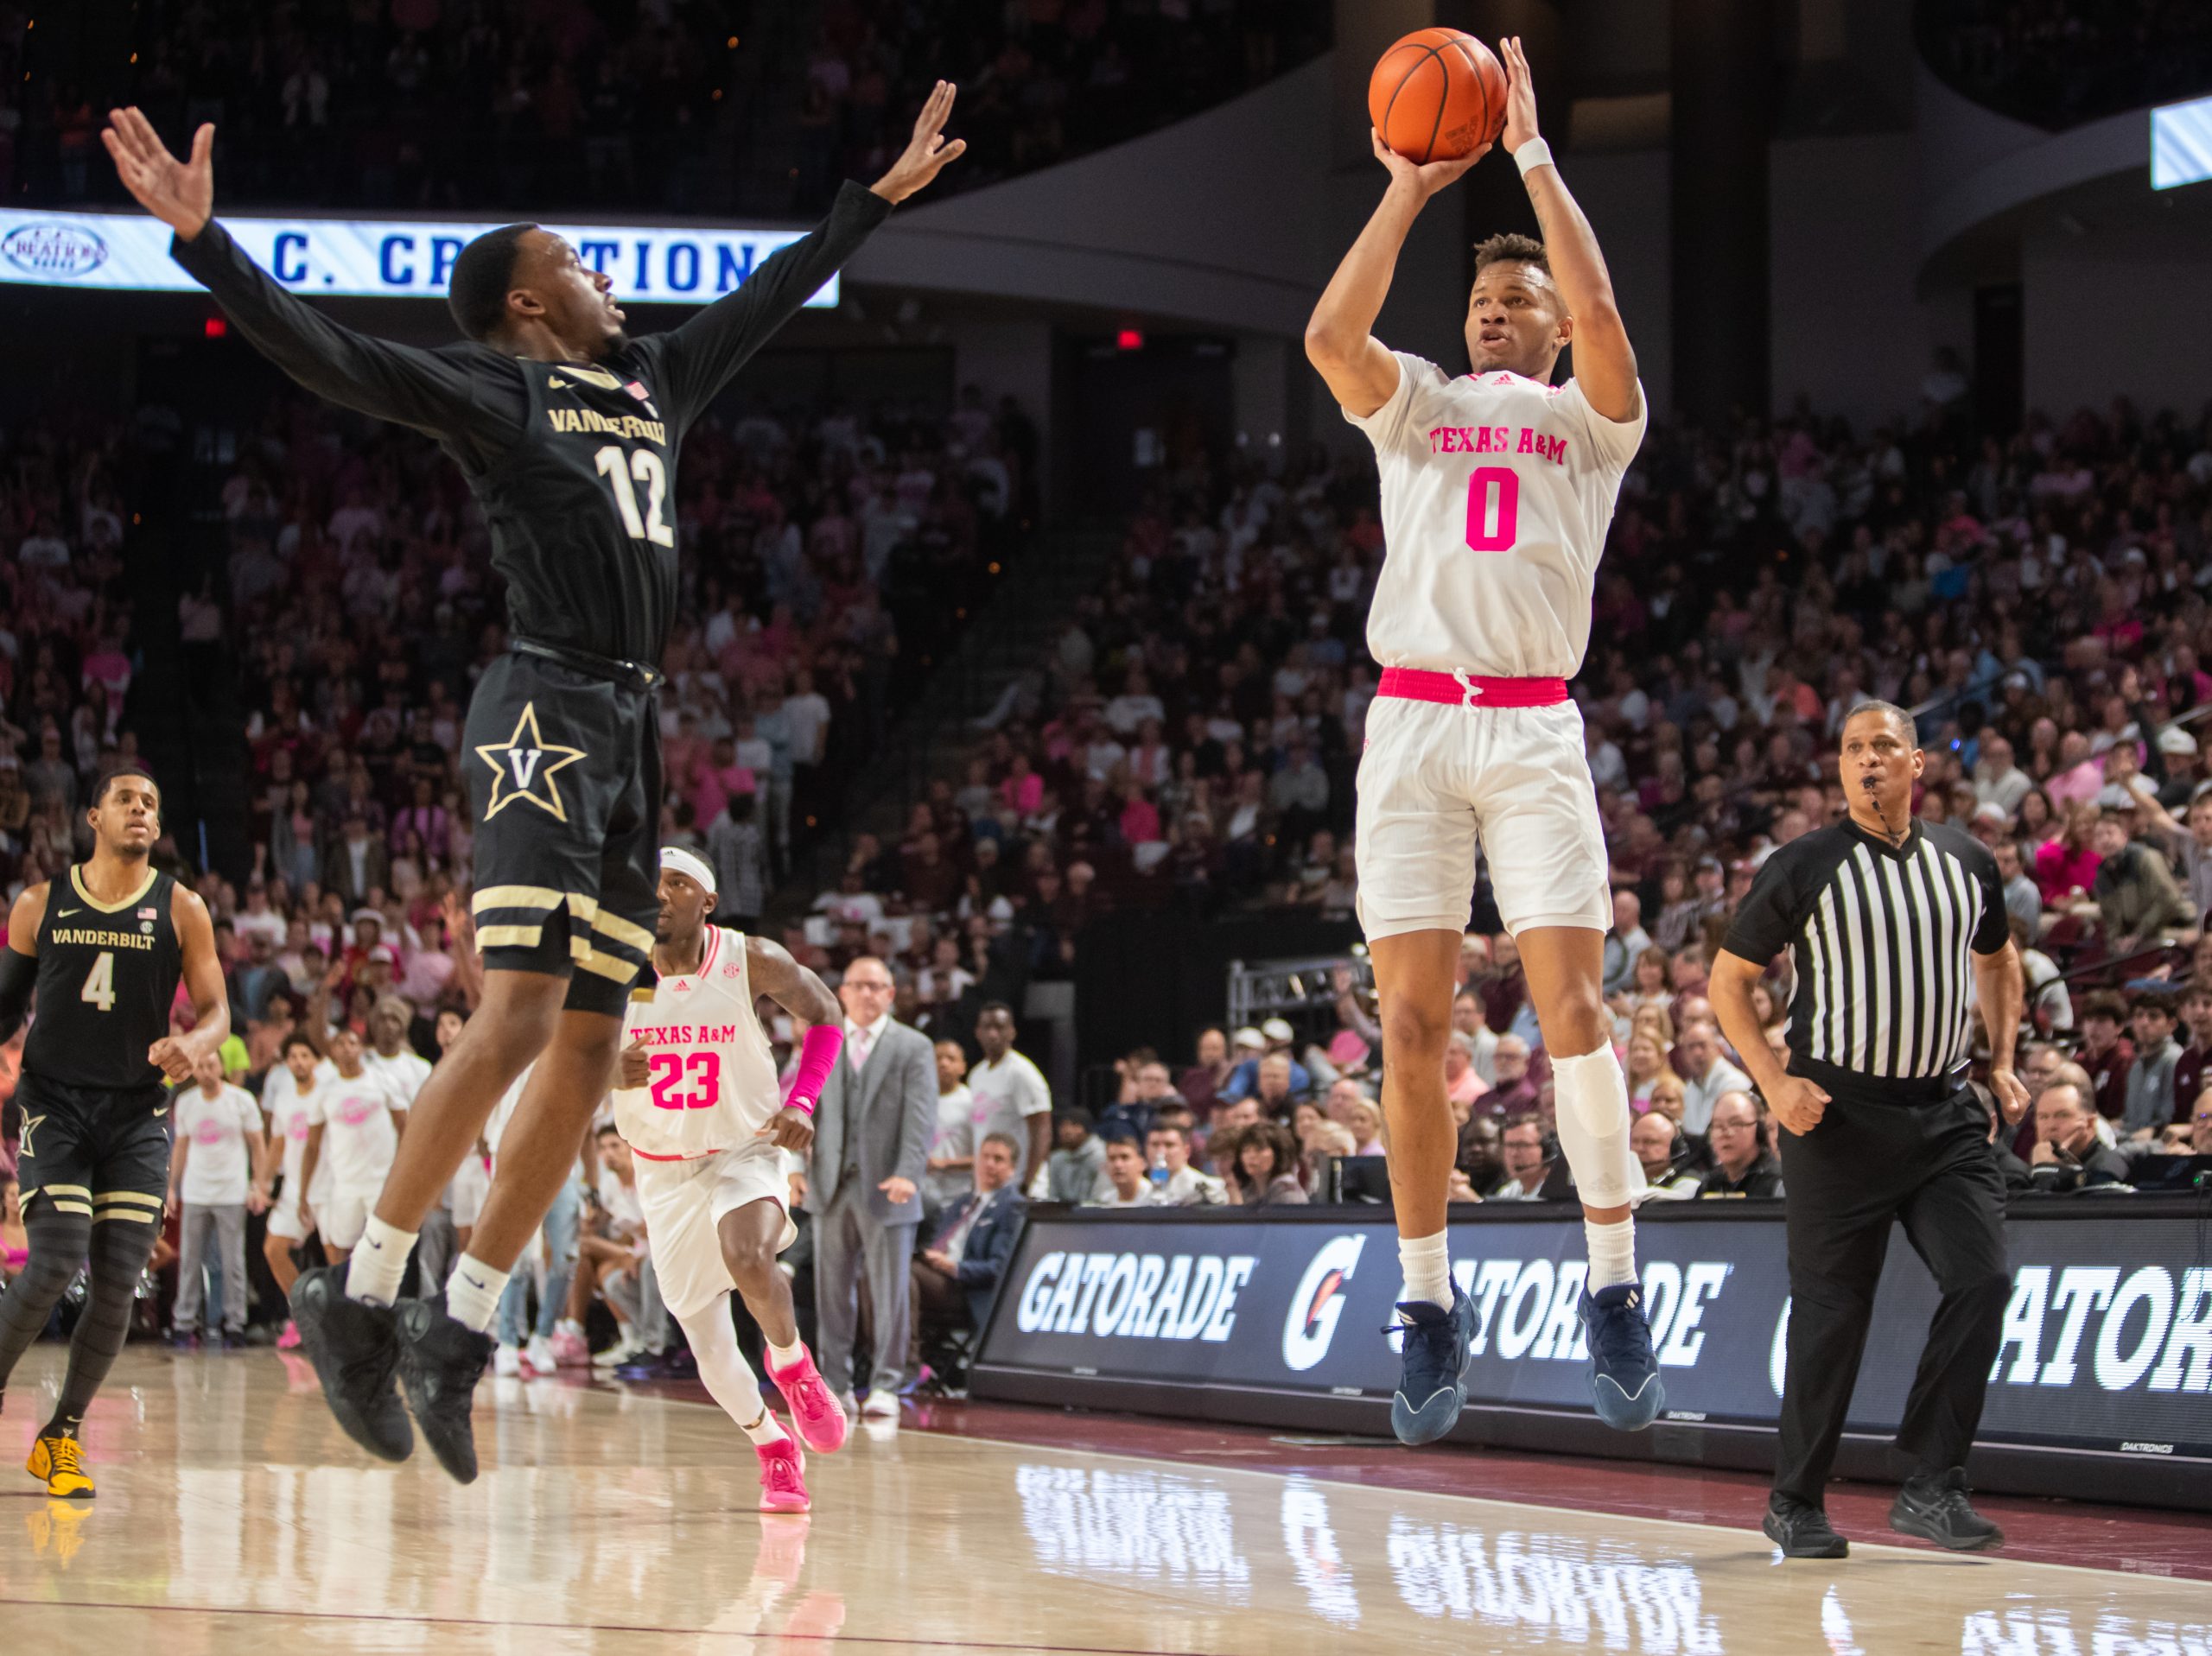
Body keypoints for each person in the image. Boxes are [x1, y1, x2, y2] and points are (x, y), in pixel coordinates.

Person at [104, 88, 966, 1482]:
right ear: (520, 302)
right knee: (513, 1016)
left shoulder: (655, 380)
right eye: (573, 257)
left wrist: (870, 202)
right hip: (543, 711)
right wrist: (209, 248)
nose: (598, 271)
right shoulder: (500, 388)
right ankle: (356, 1291)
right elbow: (332, 359)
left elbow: (768, 294)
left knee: (584, 1048)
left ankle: (454, 1328)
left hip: (630, 727)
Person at [1711, 701, 2027, 1559]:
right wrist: (1772, 1084)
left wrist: (2001, 1059)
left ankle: (1931, 1483)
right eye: (1852, 749)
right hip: (1836, 1119)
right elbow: (1727, 982)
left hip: (1943, 1117)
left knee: (1984, 1280)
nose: (1867, 760)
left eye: (1883, 745)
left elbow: (1998, 961)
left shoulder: (1966, 860)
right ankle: (1794, 1500)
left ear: (1917, 762)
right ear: (1840, 769)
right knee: (1831, 1315)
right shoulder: (1803, 863)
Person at [0, 765, 230, 1498]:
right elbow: (5, 1011)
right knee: (54, 1258)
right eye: (126, 798)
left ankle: (60, 1436)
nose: (140, 809)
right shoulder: (39, 903)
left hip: (138, 1110)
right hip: (55, 1103)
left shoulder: (183, 907)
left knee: (118, 1288)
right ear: (92, 816)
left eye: (152, 803)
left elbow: (219, 1012)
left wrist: (200, 1044)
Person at [609, 847, 847, 1511]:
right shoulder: (616, 969)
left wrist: (801, 1101)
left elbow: (827, 1015)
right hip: (662, 1170)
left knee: (749, 1253)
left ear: (707, 900)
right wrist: (605, 1069)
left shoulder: (751, 958)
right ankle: (773, 1447)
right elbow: (555, 1045)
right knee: (706, 1338)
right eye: (651, 883)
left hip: (744, 1147)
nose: (660, 894)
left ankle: (792, 1362)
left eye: (677, 883)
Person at [807, 954, 938, 1423]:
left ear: (890, 994)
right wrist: (795, 1166)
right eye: (858, 985)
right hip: (830, 1183)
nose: (866, 993)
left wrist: (910, 1171)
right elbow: (807, 1106)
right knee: (831, 1294)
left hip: (888, 1185)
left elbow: (921, 1117)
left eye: (876, 986)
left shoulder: (912, 1046)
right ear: (841, 992)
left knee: (891, 1293)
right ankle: (835, 1384)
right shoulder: (823, 1038)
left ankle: (885, 1383)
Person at [167, 1048, 269, 1347]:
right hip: (196, 1190)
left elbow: (258, 1146)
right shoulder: (186, 1102)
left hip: (231, 1191)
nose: (206, 1071)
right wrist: (172, 1186)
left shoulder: (241, 1100)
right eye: (200, 1066)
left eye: (211, 1065)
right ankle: (184, 1322)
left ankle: (234, 1322)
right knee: (189, 1259)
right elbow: (181, 1146)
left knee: (232, 1260)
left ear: (222, 1067)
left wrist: (258, 1185)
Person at [910, 1132, 1027, 1374]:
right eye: (985, 1157)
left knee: (905, 1274)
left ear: (1012, 1168)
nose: (990, 1164)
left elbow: (1001, 1267)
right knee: (884, 1269)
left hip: (967, 1288)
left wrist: (954, 1267)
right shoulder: (962, 1201)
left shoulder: (1011, 1206)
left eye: (999, 1159)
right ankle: (879, 1356)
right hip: (935, 1274)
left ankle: (908, 1364)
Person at [296, 1028, 408, 1263]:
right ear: (332, 1051)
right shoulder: (325, 1091)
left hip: (382, 1180)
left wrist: (404, 1171)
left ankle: (384, 1300)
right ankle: (346, 1299)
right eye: (340, 1043)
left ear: (361, 1048)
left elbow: (404, 1126)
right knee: (340, 1248)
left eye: (352, 1042)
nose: (347, 1047)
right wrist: (303, 1193)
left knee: (384, 1248)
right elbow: (312, 1146)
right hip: (346, 1182)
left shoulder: (381, 1080)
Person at [255, 1031, 336, 1348]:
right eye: (293, 1056)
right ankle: (304, 1317)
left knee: (336, 1257)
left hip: (327, 1186)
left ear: (316, 1060)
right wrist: (261, 1182)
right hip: (292, 1189)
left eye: (305, 1055)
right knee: (273, 1249)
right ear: (286, 1062)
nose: (299, 1062)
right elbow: (277, 1145)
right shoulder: (285, 1098)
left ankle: (344, 1322)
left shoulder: (329, 1093)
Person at [968, 1003, 1052, 1193]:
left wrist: (1028, 1183)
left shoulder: (1021, 1072)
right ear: (977, 1033)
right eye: (987, 1027)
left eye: (999, 1027)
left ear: (1012, 1032)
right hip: (989, 1181)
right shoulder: (976, 1075)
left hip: (1018, 1182)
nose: (993, 1034)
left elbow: (1042, 1128)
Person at [2025, 1081, 2133, 1191]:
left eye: (2062, 1115)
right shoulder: (2031, 1165)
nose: (2051, 1126)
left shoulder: (2107, 1167)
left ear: (2090, 1123)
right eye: (2043, 1117)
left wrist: (2047, 1169)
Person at [1696, 1093, 1784, 1199]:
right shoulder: (1709, 1184)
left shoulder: (1778, 1181)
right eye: (1718, 1125)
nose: (1725, 1133)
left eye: (1736, 1123)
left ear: (1759, 1130)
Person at [923, 1039, 975, 1215]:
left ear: (963, 1067)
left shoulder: (971, 1102)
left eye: (951, 1059)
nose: (943, 1063)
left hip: (958, 1195)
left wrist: (945, 1164)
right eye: (937, 1058)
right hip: (922, 1194)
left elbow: (983, 1156)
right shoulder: (919, 1100)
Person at [2120, 992, 2181, 1140]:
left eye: (2153, 1016)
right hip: (2132, 1138)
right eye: (2139, 1015)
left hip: (2161, 1141)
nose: (2144, 1023)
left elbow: (2169, 1119)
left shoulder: (2175, 1059)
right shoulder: (2135, 1066)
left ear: (2171, 1024)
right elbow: (2128, 1119)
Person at [1675, 1019, 1752, 1137]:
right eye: (1691, 1047)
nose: (1697, 1053)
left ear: (1718, 1048)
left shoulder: (1734, 1083)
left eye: (1702, 1045)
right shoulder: (1690, 1087)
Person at [1224, 1121, 1308, 1208]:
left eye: (1259, 1150)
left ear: (1277, 1153)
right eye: (1246, 1151)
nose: (1251, 1156)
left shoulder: (1287, 1190)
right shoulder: (1248, 1190)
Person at [1142, 1121, 1225, 1207]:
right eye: (1155, 1145)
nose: (1161, 1152)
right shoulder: (1142, 1190)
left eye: (1169, 1145)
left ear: (1186, 1151)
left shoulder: (1206, 1189)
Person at [1630, 1114, 1700, 1201]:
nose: (1640, 1148)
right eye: (1634, 1141)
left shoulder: (1689, 1182)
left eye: (1650, 1142)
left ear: (1675, 1148)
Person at [1044, 1110, 1107, 1204]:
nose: (1067, 1130)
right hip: (1062, 1215)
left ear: (1087, 1130)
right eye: (1063, 1126)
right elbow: (1053, 1196)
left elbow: (1102, 1198)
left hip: (1094, 1214)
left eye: (1074, 1125)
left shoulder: (1101, 1157)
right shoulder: (1056, 1159)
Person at [1488, 1114, 1553, 1201]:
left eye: (1523, 1145)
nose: (1514, 1154)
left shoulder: (1556, 1193)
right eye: (1509, 1145)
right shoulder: (1512, 1190)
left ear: (1547, 1150)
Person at [1090, 1138, 1155, 1209]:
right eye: (1112, 1158)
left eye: (1125, 1157)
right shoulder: (1105, 1201)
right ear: (1105, 1166)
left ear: (1142, 1164)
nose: (1118, 1165)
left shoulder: (1155, 1199)